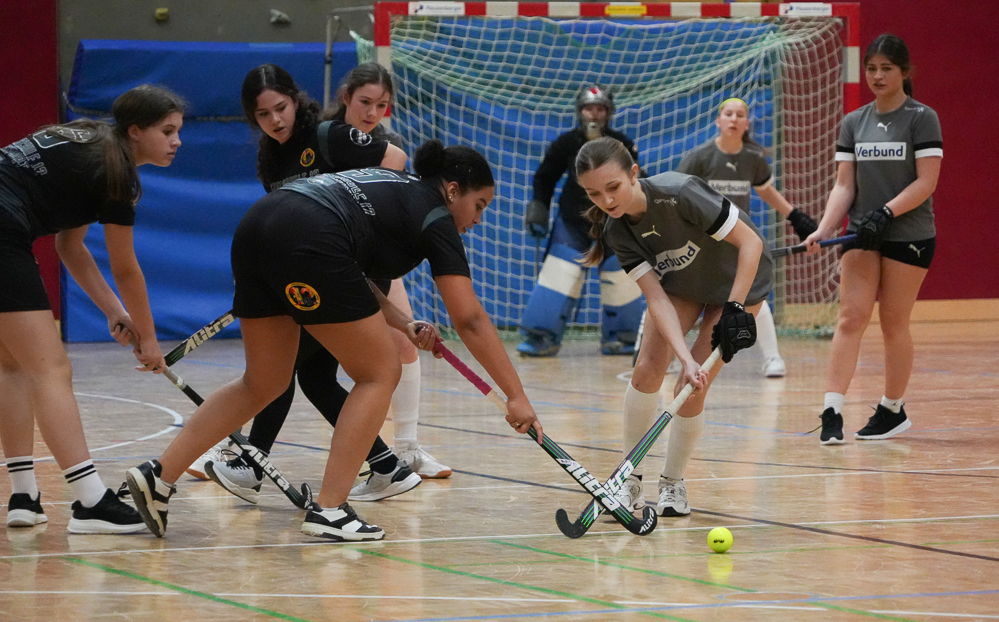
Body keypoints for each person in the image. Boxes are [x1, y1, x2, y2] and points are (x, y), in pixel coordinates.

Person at [126, 141, 543, 541]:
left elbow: (352, 270)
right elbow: (469, 319)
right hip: (311, 236)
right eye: (479, 205)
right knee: (380, 373)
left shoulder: (394, 187)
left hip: (260, 223)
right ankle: (330, 509)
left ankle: (159, 476)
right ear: (452, 191)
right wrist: (516, 395)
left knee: (264, 381)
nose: (478, 218)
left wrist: (402, 323)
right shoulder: (436, 216)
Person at [192, 64, 442, 507]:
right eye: (263, 114)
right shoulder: (272, 158)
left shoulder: (328, 135)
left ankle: (252, 464)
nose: (275, 120)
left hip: (352, 268)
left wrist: (360, 228)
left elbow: (396, 160)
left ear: (295, 100)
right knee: (314, 375)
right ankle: (386, 466)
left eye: (281, 108)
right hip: (315, 271)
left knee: (283, 364)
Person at [1, 85, 184, 533]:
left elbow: (70, 246)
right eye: (167, 131)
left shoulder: (92, 145)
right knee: (51, 370)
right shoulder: (117, 174)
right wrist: (150, 339)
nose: (177, 141)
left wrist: (114, 311)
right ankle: (90, 503)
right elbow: (126, 268)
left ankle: (23, 496)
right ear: (136, 131)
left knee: (11, 364)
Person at [576, 137, 772, 517]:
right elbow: (657, 299)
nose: (607, 200)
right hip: (684, 285)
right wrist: (684, 357)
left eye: (613, 187)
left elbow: (751, 243)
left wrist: (734, 308)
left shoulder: (679, 193)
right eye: (594, 194)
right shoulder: (617, 231)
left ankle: (673, 482)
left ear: (634, 173)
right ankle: (629, 481)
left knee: (690, 387)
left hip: (738, 283)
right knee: (648, 369)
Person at [804, 34, 942, 445]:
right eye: (871, 69)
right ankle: (832, 411)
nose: (877, 76)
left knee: (893, 322)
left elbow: (927, 182)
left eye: (886, 69)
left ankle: (892, 410)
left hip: (909, 234)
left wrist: (886, 212)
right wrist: (823, 229)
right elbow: (844, 185)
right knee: (851, 317)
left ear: (904, 72)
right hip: (862, 233)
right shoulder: (854, 122)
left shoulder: (922, 118)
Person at [674, 97, 819, 378]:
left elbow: (766, 191)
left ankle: (773, 358)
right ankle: (669, 355)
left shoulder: (753, 158)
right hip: (702, 243)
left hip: (738, 241)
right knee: (682, 299)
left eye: (740, 115)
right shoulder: (700, 156)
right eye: (728, 114)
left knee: (753, 297)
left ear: (746, 123)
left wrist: (795, 216)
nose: (734, 119)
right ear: (718, 121)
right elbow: (677, 194)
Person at [518, 85, 644, 357]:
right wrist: (539, 207)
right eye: (589, 108)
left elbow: (636, 180)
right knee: (560, 274)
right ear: (579, 111)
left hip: (614, 221)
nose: (594, 114)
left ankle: (623, 337)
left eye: (600, 109)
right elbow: (544, 178)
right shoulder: (565, 143)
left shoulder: (621, 144)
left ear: (609, 113)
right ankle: (541, 337)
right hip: (572, 222)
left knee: (621, 275)